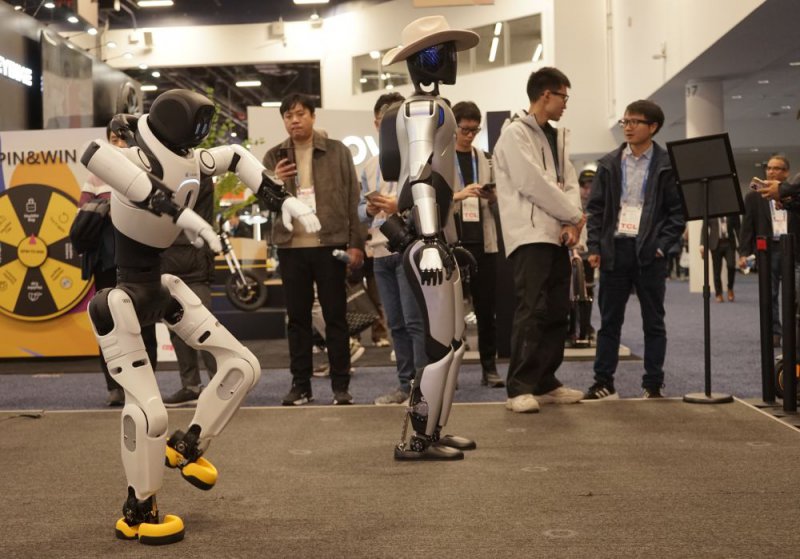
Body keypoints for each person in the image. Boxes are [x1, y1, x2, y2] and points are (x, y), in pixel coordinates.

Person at [81, 89, 319, 544]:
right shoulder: (128, 156)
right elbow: (95, 155)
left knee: (243, 365)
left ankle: (187, 445)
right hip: (120, 299)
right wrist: (174, 210)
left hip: (163, 285)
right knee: (149, 413)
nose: (199, 136)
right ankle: (139, 509)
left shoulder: (191, 160)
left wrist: (281, 198)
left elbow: (237, 157)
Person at [493, 67, 586, 414]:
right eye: (564, 97)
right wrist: (572, 215)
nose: (566, 104)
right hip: (529, 235)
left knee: (558, 311)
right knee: (531, 310)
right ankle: (518, 387)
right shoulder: (514, 133)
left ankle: (545, 381)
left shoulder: (557, 137)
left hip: (558, 235)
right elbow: (532, 183)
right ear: (546, 95)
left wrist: (572, 221)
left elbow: (569, 183)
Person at [262, 93, 365, 406]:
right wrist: (275, 180)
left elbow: (353, 198)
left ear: (312, 116)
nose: (294, 120)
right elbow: (265, 203)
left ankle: (340, 386)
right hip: (291, 246)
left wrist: (356, 243)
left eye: (300, 114)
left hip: (329, 243)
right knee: (297, 319)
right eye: (288, 116)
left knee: (335, 316)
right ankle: (301, 386)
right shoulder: (274, 155)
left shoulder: (337, 151)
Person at [583, 99, 685, 400]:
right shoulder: (609, 164)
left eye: (634, 122)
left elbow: (678, 212)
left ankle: (653, 383)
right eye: (624, 122)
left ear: (652, 127)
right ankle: (603, 382)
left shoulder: (667, 165)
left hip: (649, 252)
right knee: (609, 322)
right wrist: (594, 246)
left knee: (653, 322)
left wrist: (662, 247)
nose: (627, 127)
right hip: (615, 249)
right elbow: (596, 209)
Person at [76, 115, 157, 407]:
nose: (119, 144)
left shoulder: (149, 171)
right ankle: (115, 386)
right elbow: (82, 210)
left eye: (123, 138)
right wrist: (107, 205)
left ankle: (147, 386)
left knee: (143, 324)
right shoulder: (96, 175)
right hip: (106, 262)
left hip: (141, 261)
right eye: (113, 139)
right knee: (109, 322)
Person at [360, 92, 425, 405]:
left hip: (409, 247)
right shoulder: (370, 165)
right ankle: (404, 385)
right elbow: (360, 210)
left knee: (415, 322)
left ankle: (423, 385)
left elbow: (432, 200)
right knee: (395, 324)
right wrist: (369, 209)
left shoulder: (417, 159)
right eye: (381, 121)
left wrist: (399, 204)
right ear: (376, 124)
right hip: (379, 251)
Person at [450, 100, 503, 388]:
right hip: (453, 243)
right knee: (451, 314)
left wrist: (492, 197)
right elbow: (434, 199)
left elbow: (501, 202)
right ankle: (450, 372)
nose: (470, 135)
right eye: (465, 129)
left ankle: (489, 368)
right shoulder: (441, 159)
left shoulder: (485, 159)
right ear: (453, 128)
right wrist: (459, 195)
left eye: (475, 130)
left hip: (484, 243)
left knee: (486, 310)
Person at [161, 177, 218, 407]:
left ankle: (220, 384)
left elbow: (188, 206)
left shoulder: (198, 173)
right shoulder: (155, 171)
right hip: (166, 260)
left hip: (195, 261)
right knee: (177, 327)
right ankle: (191, 386)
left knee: (205, 327)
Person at [739, 155, 795, 347]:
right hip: (768, 250)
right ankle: (774, 333)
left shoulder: (794, 194)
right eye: (769, 168)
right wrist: (744, 252)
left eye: (776, 168)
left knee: (794, 293)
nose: (771, 171)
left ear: (786, 172)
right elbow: (747, 226)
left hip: (792, 249)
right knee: (769, 295)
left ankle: (793, 333)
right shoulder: (754, 196)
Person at [700, 215, 741, 302]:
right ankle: (718, 293)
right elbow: (704, 228)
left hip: (729, 243)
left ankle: (730, 288)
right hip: (715, 244)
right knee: (717, 270)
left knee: (731, 266)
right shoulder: (711, 211)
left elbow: (738, 228)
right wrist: (702, 244)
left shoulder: (731, 210)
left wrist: (742, 246)